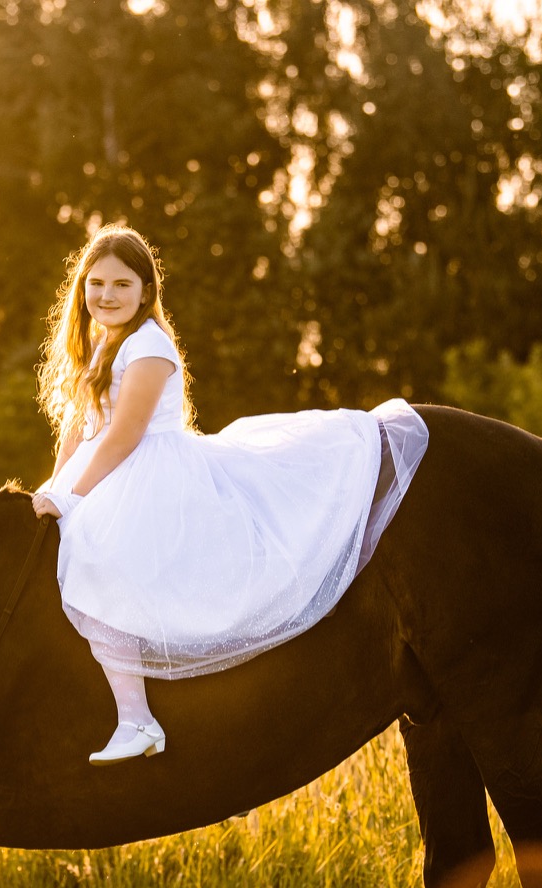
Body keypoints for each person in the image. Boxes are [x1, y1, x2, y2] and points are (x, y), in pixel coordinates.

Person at [31, 225, 430, 765]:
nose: (106, 295)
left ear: (145, 291)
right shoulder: (101, 343)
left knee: (104, 560)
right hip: (117, 471)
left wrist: (75, 500)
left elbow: (124, 434)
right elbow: (78, 430)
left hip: (151, 471)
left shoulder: (148, 346)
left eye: (121, 284)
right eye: (96, 283)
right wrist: (54, 487)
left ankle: (140, 719)